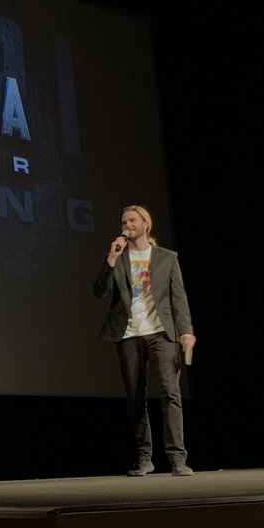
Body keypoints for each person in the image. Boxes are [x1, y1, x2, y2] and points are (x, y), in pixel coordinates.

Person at [93, 204, 197, 476]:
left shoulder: (167, 258)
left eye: (132, 220)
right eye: (124, 221)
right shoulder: (119, 257)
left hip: (161, 332)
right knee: (135, 397)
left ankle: (177, 459)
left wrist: (185, 330)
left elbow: (178, 297)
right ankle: (144, 458)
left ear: (145, 224)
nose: (128, 225)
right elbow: (100, 291)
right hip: (129, 333)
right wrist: (111, 258)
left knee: (170, 394)